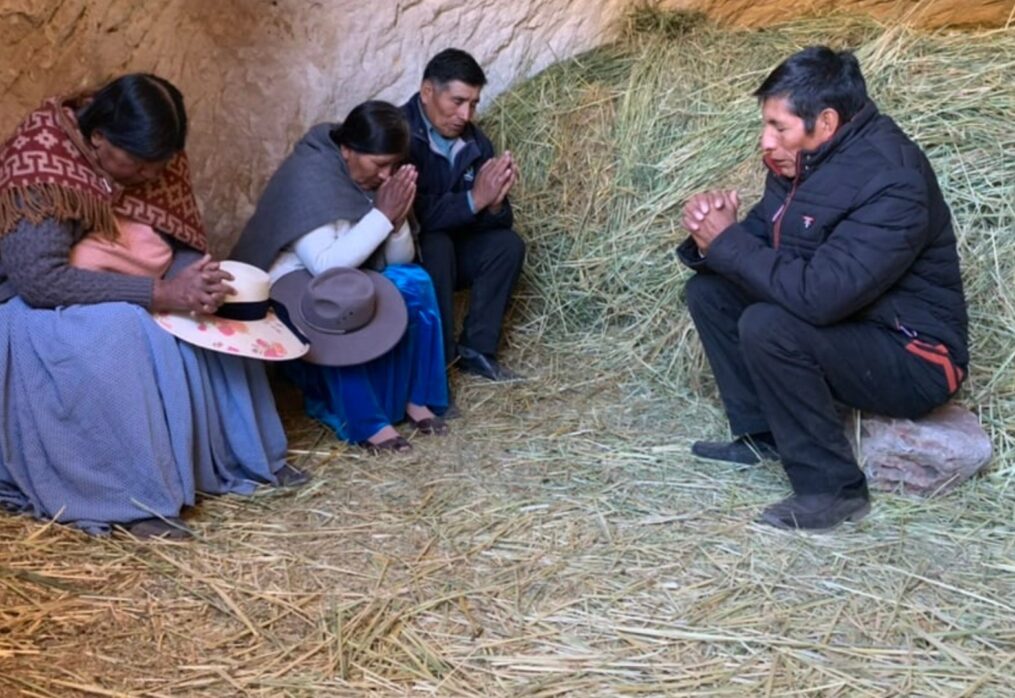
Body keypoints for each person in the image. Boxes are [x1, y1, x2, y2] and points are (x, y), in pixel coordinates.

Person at [0, 73, 307, 539]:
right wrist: (159, 295)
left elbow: (177, 233)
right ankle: (133, 498)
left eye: (159, 166)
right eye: (140, 166)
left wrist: (194, 280)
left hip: (132, 283)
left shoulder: (155, 155)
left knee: (219, 311)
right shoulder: (40, 164)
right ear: (98, 139)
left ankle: (244, 459)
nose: (151, 177)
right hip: (31, 307)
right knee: (121, 331)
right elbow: (39, 281)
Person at [677, 46, 968, 530]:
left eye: (779, 127)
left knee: (769, 325)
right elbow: (755, 246)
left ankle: (833, 491)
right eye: (765, 125)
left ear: (826, 122)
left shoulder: (892, 180)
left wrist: (727, 244)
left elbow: (822, 295)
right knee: (711, 294)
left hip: (915, 354)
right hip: (852, 325)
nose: (765, 142)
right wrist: (709, 236)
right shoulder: (800, 165)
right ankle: (763, 434)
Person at [233, 101, 448, 452]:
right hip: (296, 278)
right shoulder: (310, 174)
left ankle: (416, 398)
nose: (385, 177)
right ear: (348, 149)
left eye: (394, 166)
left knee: (414, 281)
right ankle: (368, 422)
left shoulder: (376, 180)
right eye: (379, 165)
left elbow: (397, 258)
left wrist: (395, 221)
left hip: (352, 271)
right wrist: (381, 214)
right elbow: (326, 266)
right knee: (339, 305)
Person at [402, 48, 526, 382]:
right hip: (411, 256)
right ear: (428, 92)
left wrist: (496, 204)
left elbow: (496, 220)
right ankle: (438, 365)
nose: (465, 114)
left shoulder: (476, 143)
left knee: (507, 245)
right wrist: (473, 200)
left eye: (473, 104)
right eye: (457, 101)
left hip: (458, 252)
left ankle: (477, 351)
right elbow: (415, 215)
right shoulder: (401, 134)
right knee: (437, 242)